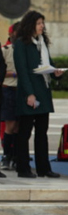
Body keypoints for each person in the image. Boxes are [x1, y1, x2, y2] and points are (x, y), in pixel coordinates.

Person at [13, 10, 63, 179]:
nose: (42, 26)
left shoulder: (42, 42)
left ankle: (44, 168)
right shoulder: (21, 43)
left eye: (43, 23)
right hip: (30, 93)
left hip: (43, 91)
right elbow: (22, 70)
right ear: (31, 25)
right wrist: (30, 94)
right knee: (24, 132)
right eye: (39, 23)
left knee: (42, 132)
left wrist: (55, 70)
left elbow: (47, 62)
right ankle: (23, 168)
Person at [0, 23, 15, 173]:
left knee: (18, 126)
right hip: (8, 90)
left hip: (20, 91)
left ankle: (15, 156)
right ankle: (7, 155)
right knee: (8, 126)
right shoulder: (5, 50)